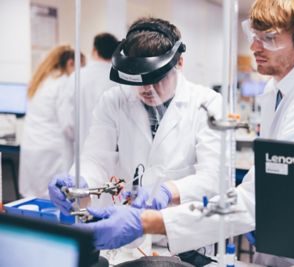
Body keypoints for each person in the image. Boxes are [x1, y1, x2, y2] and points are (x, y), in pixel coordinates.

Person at [66, 1, 294, 265]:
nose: (253, 46)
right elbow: (265, 184)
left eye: (269, 38)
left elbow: (255, 198)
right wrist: (78, 181)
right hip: (269, 243)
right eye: (253, 34)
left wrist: (148, 217)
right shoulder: (275, 92)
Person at [48, 16, 222, 253]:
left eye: (156, 78)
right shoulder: (114, 100)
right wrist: (80, 182)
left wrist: (167, 191)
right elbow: (96, 157)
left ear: (179, 63)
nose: (146, 89)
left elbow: (216, 178)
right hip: (128, 239)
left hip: (184, 241)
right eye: (139, 79)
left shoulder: (208, 104)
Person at [19, 45, 85, 198]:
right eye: (81, 67)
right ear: (70, 63)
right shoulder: (63, 83)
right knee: (54, 201)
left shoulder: (42, 80)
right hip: (52, 152)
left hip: (32, 148)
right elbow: (68, 125)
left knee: (33, 201)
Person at [60, 33, 119, 146]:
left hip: (83, 149)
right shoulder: (120, 80)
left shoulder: (77, 77)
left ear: (94, 51)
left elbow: (67, 123)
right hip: (113, 150)